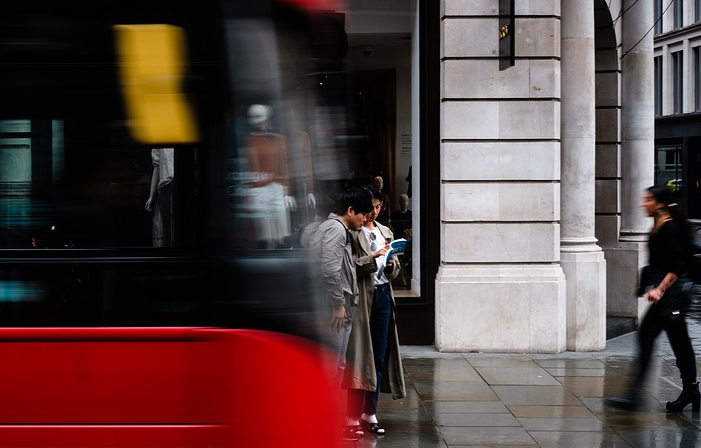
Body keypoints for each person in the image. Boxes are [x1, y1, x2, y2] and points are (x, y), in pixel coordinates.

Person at [607, 185, 699, 412]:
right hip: (668, 298)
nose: (643, 203)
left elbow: (678, 265)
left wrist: (659, 289)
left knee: (653, 339)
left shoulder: (671, 228)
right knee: (678, 343)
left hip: (671, 297)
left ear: (659, 204)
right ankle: (691, 390)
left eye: (648, 199)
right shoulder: (660, 225)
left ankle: (634, 396)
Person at [309, 187, 373, 441]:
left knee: (337, 367)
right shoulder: (336, 230)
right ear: (350, 211)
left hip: (339, 309)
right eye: (362, 215)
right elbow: (329, 269)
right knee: (331, 368)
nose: (364, 220)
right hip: (335, 311)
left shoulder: (335, 229)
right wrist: (337, 303)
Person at [344, 186, 406, 437]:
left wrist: (391, 264)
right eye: (371, 207)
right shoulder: (352, 231)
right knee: (359, 358)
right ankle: (351, 416)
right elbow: (348, 267)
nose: (374, 212)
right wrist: (372, 257)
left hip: (382, 295)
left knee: (379, 356)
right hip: (362, 297)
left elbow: (395, 271)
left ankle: (370, 412)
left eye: (379, 207)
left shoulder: (385, 231)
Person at [244, 104, 296, 248]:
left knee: (282, 234)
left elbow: (284, 164)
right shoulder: (248, 140)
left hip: (276, 187)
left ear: (267, 117)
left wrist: (288, 191)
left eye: (258, 116)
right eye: (251, 117)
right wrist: (248, 191)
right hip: (257, 189)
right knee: (266, 237)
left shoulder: (279, 139)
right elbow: (247, 167)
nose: (254, 121)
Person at [145, 147, 174, 247]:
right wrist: (151, 196)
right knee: (168, 230)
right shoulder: (161, 139)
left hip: (182, 187)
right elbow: (157, 166)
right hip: (165, 188)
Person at [389, 193, 412, 288]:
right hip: (398, 238)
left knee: (408, 259)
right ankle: (402, 279)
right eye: (402, 201)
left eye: (406, 201)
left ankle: (408, 279)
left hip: (409, 240)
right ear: (399, 202)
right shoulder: (394, 215)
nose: (404, 203)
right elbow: (391, 227)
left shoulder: (411, 214)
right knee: (400, 259)